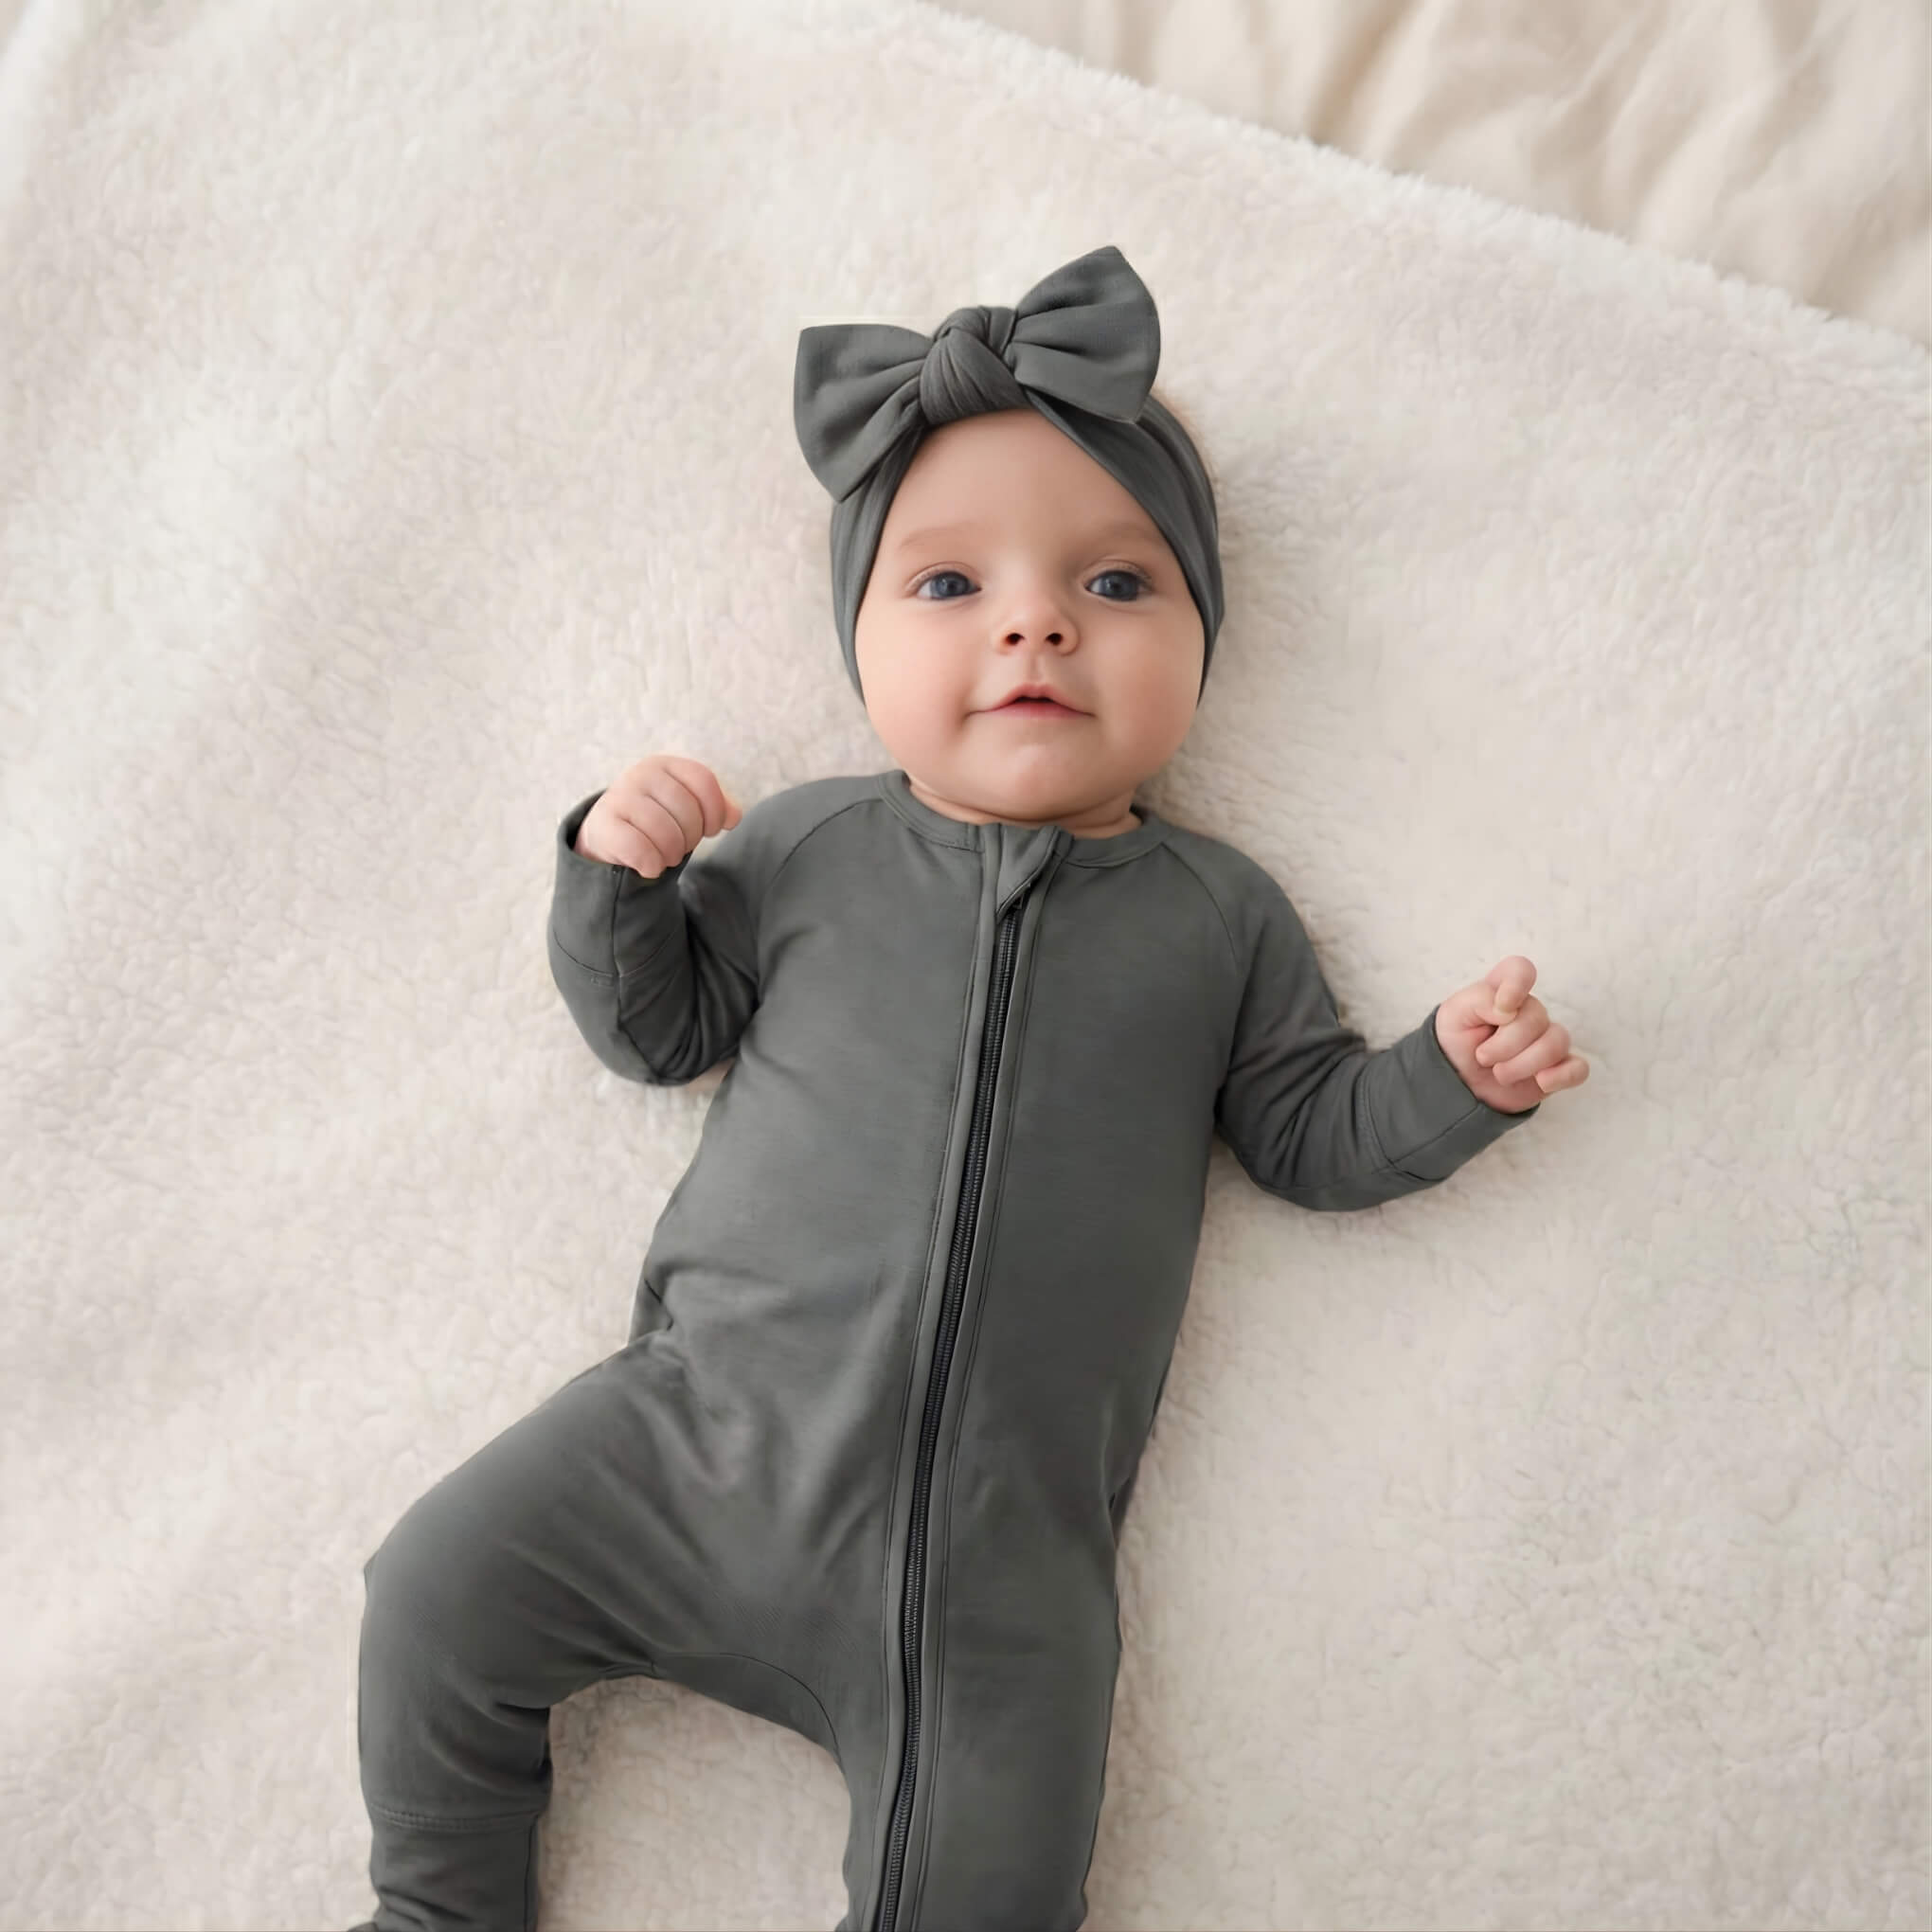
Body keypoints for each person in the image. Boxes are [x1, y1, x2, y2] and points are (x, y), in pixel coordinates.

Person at [349, 243, 1588, 1932]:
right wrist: (616, 877)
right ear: (858, 643)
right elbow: (655, 1030)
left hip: (992, 1580)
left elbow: (1307, 1133)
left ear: (1205, 645)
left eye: (1118, 587)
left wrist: (1449, 1081)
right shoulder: (803, 846)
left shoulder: (1220, 916)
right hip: (695, 1445)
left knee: (999, 1888)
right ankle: (441, 1912)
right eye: (949, 587)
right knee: (434, 1591)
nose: (1035, 621)